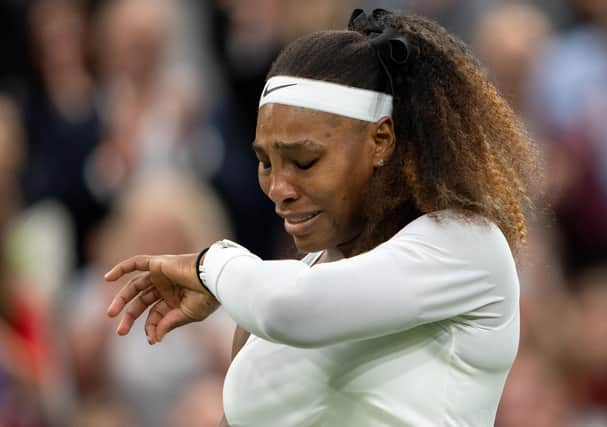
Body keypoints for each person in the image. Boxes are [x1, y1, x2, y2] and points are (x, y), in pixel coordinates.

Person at [105, 9, 537, 427]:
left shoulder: (467, 245)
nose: (279, 189)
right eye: (267, 163)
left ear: (381, 140)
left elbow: (288, 307)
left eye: (305, 161)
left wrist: (210, 264)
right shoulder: (267, 297)